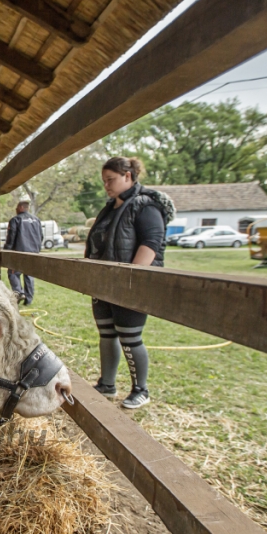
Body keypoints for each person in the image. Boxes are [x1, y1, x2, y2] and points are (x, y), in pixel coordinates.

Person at [84, 157, 174, 409]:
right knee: (107, 334)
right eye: (104, 181)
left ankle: (140, 389)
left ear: (128, 175)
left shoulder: (145, 205)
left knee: (130, 337)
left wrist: (130, 281)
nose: (106, 186)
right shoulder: (109, 208)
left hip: (129, 285)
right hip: (104, 284)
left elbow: (151, 243)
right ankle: (107, 384)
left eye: (110, 180)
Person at [4, 199, 43, 305]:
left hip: (18, 253)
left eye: (17, 208)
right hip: (33, 253)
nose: (16, 210)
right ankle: (28, 299)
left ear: (21, 207)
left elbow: (11, 237)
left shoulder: (15, 220)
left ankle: (19, 293)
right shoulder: (36, 220)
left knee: (13, 274)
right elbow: (41, 236)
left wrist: (7, 251)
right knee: (29, 275)